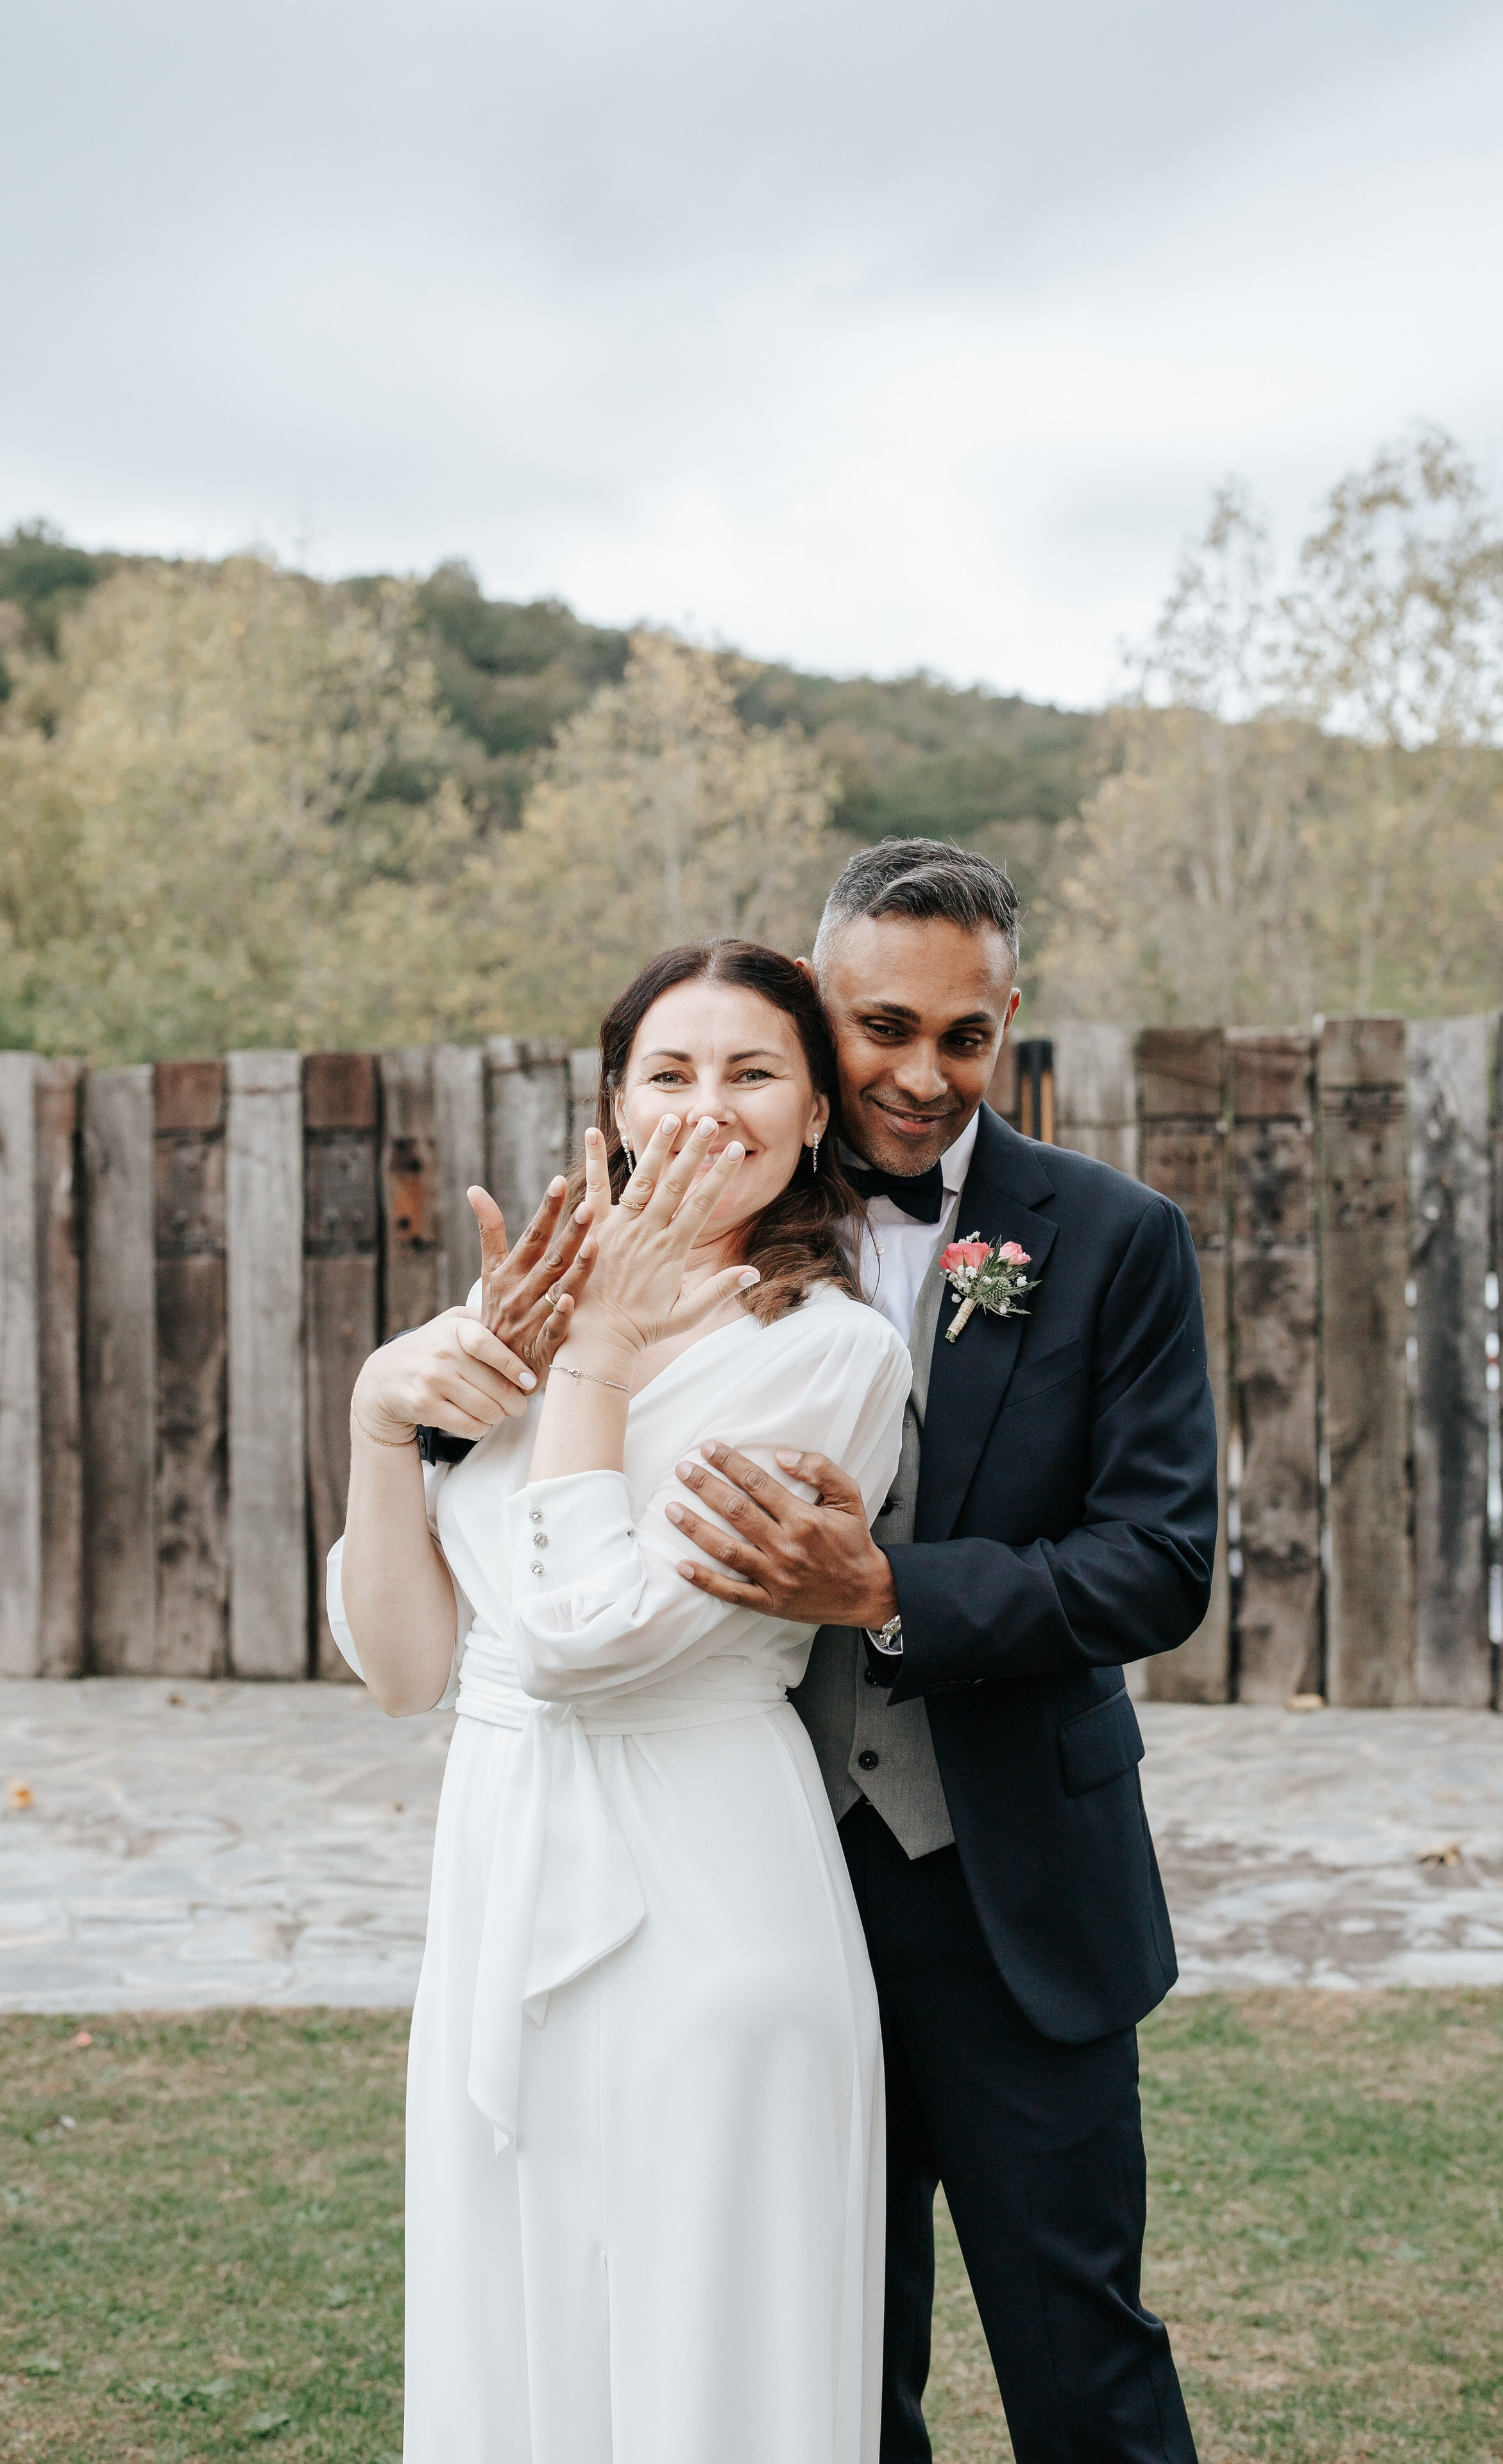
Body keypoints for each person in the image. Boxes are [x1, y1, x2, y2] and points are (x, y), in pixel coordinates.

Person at [665, 840, 1218, 2464]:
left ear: (1009, 1026)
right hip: (764, 1884)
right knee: (826, 2363)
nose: (919, 1075)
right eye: (877, 1027)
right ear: (812, 1009)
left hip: (1017, 1882)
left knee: (1080, 2355)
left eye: (960, 1037)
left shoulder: (1113, 1237)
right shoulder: (714, 1224)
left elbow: (1156, 1563)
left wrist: (887, 1591)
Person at [329, 941, 912, 2464]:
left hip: (702, 1888)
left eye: (751, 1072)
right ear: (613, 1104)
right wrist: (384, 1414)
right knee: (515, 2321)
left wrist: (593, 1363)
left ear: (811, 1118)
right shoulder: (517, 1317)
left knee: (702, 2348)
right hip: (501, 1865)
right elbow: (403, 1674)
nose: (705, 1109)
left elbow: (591, 1637)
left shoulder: (828, 1354)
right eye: (669, 1072)